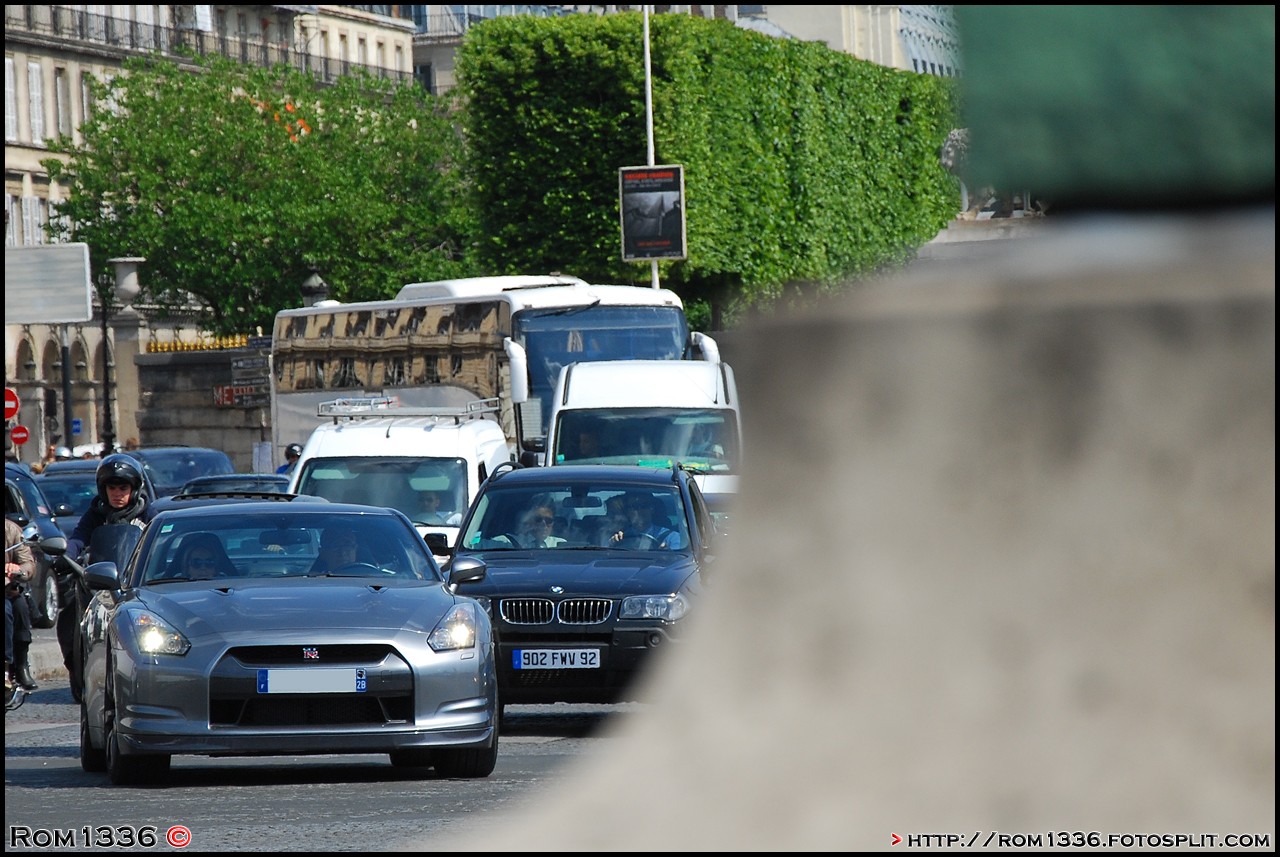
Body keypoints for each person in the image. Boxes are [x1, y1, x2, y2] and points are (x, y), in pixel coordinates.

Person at [63, 453, 155, 701]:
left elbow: (163, 542)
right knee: (69, 612)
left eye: (123, 488)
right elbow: (78, 539)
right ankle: (76, 668)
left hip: (136, 584)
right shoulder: (96, 514)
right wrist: (64, 555)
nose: (117, 494)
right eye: (111, 488)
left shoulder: (149, 514)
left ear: (134, 489)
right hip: (99, 584)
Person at [5, 518, 38, 693]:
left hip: (7, 590)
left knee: (18, 608)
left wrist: (17, 569)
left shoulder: (11, 529)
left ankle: (17, 665)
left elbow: (27, 562)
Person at [607, 492, 684, 550]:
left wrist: (668, 554)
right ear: (628, 512)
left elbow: (679, 561)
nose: (639, 510)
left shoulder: (672, 537)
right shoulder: (621, 537)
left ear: (652, 509)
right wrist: (612, 546)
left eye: (644, 506)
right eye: (634, 507)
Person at [171, 532, 236, 580]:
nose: (203, 568)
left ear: (215, 569)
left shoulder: (228, 586)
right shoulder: (174, 587)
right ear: (187, 568)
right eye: (196, 563)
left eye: (209, 563)